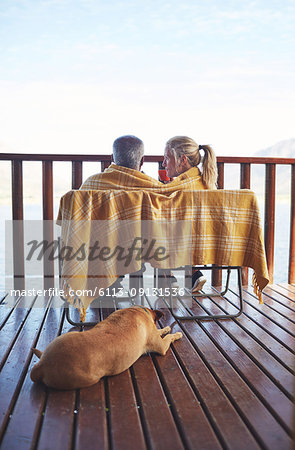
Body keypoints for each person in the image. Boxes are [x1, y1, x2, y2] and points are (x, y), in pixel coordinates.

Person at [163, 136, 218, 292]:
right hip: (207, 245)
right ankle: (193, 274)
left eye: (167, 158)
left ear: (182, 160)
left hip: (181, 246)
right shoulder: (206, 185)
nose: (164, 163)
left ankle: (168, 279)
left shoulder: (179, 189)